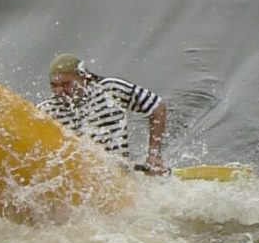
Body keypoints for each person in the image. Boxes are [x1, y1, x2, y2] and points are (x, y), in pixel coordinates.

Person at [38, 53, 168, 175]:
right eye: (54, 85)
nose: (59, 91)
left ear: (83, 77)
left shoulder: (109, 89)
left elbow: (157, 107)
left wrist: (154, 154)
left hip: (119, 178)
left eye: (66, 84)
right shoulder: (46, 111)